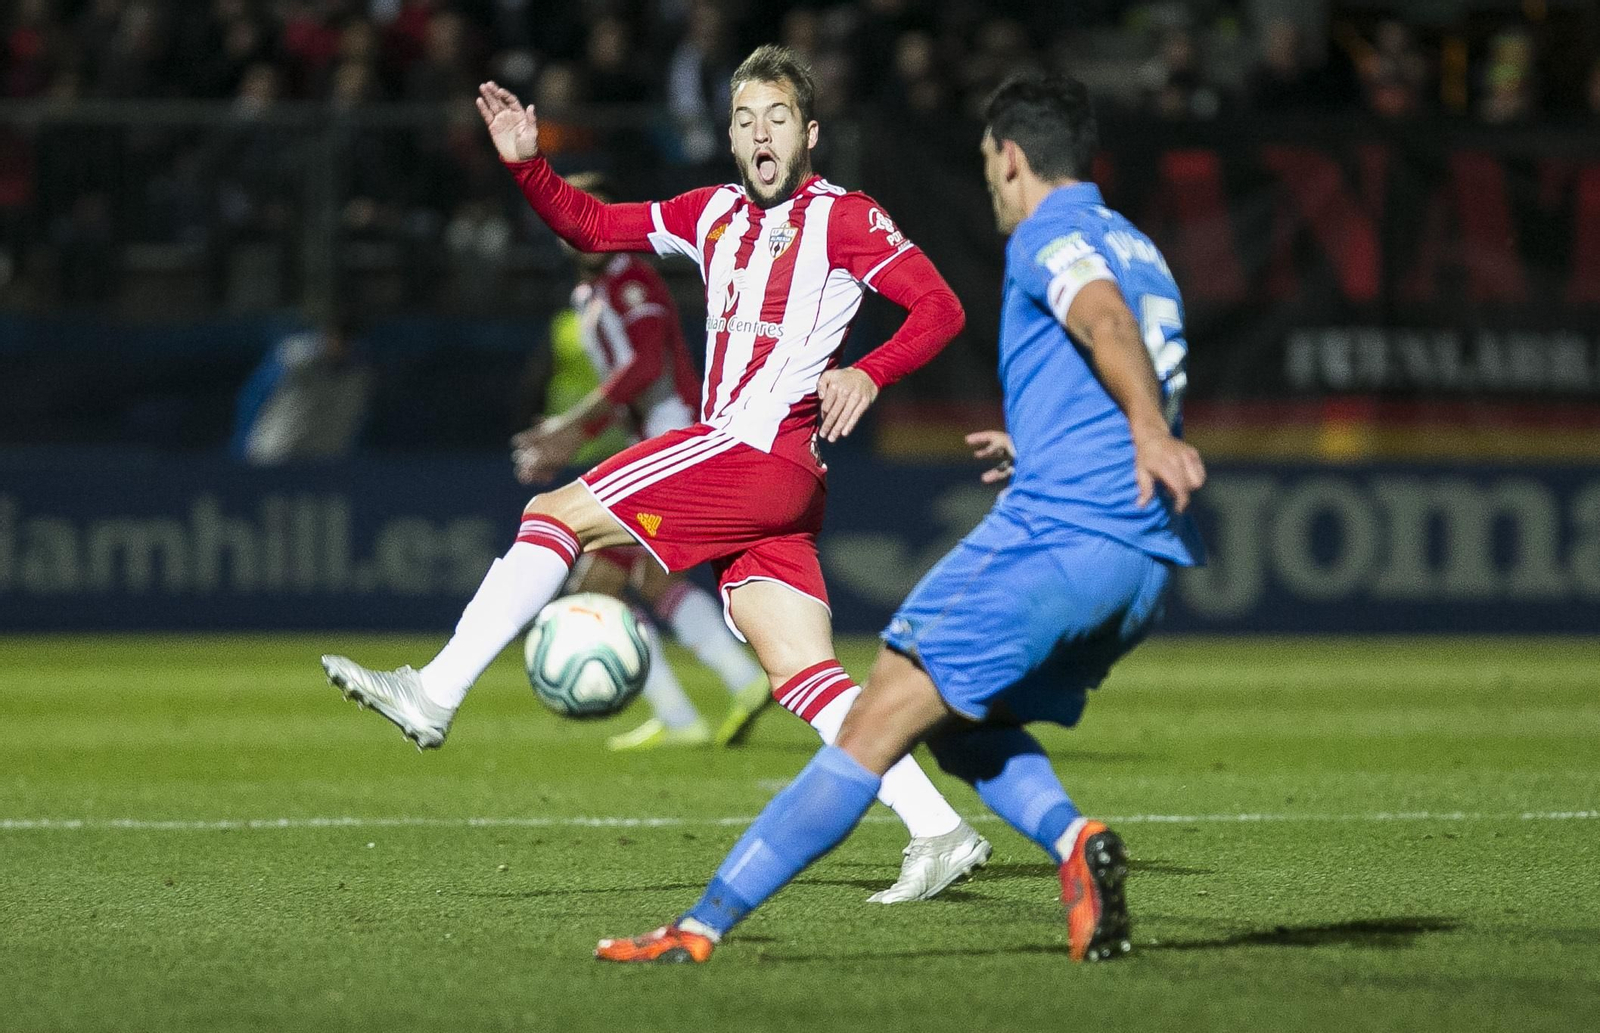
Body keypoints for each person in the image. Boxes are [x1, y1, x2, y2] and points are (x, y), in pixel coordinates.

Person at [320, 45, 992, 904]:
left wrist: (871, 369)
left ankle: (436, 689)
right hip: (772, 482)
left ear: (810, 133)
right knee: (804, 672)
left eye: (778, 118)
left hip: (751, 450)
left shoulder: (845, 218)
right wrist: (532, 167)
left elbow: (942, 306)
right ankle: (939, 828)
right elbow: (597, 228)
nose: (761, 133)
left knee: (555, 510)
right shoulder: (708, 211)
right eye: (745, 118)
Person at [593, 71, 1207, 965]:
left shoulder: (1052, 235)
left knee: (874, 720)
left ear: (1011, 159)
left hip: (1059, 537)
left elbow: (1105, 325)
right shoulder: (1138, 245)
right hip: (1144, 555)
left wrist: (1147, 432)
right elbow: (1121, 346)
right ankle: (1075, 841)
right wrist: (1049, 444)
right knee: (958, 722)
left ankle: (697, 928)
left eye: (991, 166)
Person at [510, 171, 772, 753]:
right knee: (650, 579)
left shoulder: (634, 281)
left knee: (593, 587)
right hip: (653, 445)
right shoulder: (591, 298)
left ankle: (683, 714)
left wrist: (570, 425)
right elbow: (626, 392)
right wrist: (567, 441)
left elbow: (647, 365)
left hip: (673, 444)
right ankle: (737, 684)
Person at [233, 309, 371, 465]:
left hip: (324, 460)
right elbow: (254, 398)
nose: (341, 345)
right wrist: (243, 445)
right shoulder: (293, 358)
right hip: (275, 456)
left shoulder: (360, 373)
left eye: (349, 340)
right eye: (337, 337)